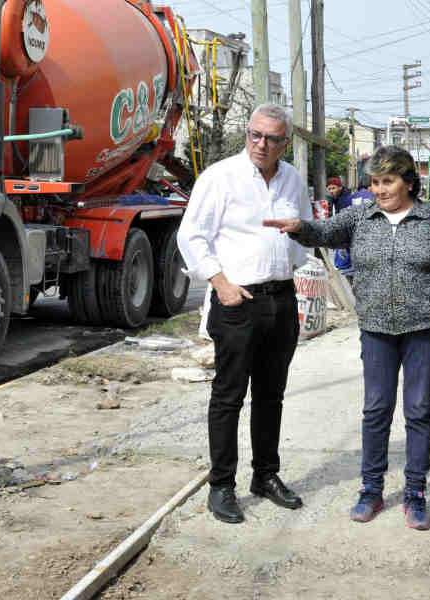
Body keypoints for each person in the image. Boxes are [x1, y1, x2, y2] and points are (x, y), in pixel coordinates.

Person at [264, 145, 430, 530]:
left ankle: (415, 492)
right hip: (376, 330)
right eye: (374, 182)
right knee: (376, 409)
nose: (379, 189)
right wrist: (299, 227)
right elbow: (325, 232)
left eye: (387, 181)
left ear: (408, 182)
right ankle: (371, 489)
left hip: (424, 329)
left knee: (418, 410)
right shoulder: (361, 216)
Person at [176, 103, 311, 524]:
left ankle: (265, 476)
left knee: (271, 395)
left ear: (285, 143)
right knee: (229, 395)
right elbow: (191, 236)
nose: (261, 144)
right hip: (237, 301)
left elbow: (304, 229)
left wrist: (288, 263)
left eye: (272, 138)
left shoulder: (292, 180)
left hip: (281, 299)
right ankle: (221, 486)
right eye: (255, 134)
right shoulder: (221, 177)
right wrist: (221, 284)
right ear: (247, 134)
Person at [326, 177, 354, 278]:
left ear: (340, 187)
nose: (331, 191)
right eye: (329, 189)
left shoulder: (345, 199)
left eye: (333, 188)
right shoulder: (335, 198)